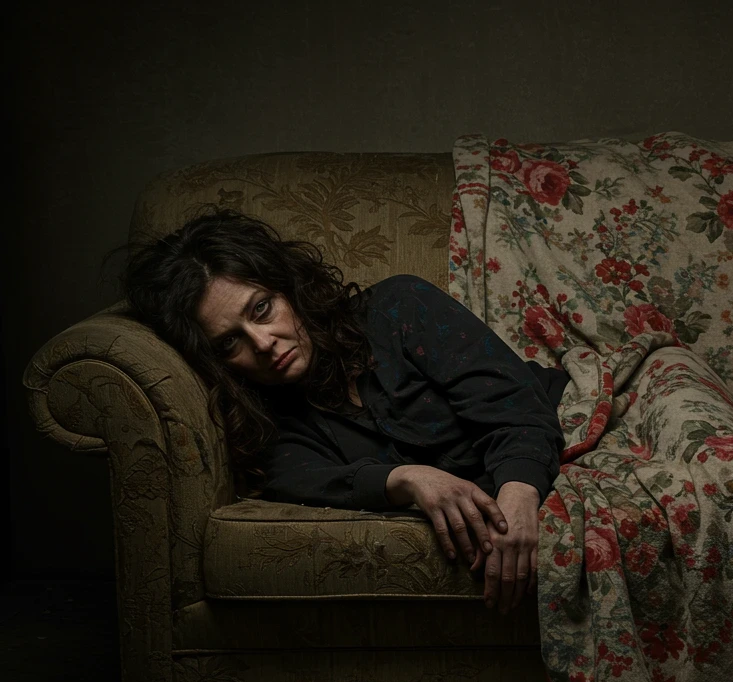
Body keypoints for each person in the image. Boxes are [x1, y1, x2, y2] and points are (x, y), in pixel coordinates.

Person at [120, 207, 569, 617]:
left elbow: (512, 401)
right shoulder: (268, 428)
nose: (262, 343)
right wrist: (408, 478)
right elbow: (308, 478)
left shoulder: (400, 305)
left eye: (261, 309)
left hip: (568, 421)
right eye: (229, 342)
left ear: (289, 288)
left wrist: (520, 493)